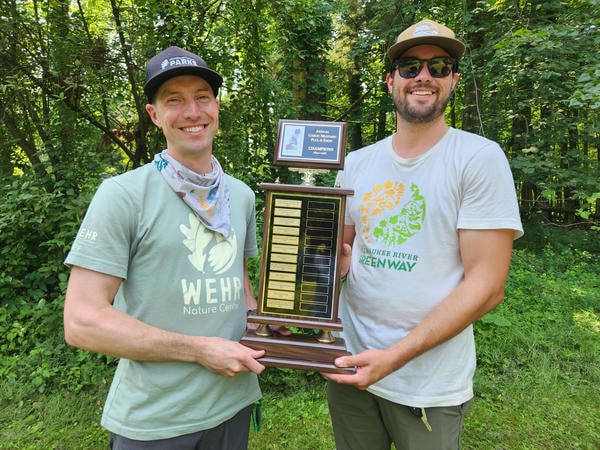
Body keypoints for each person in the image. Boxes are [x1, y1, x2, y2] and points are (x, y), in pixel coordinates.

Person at [323, 19, 524, 450]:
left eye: (439, 66)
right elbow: (343, 249)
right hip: (352, 361)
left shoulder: (478, 159)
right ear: (391, 80)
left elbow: (487, 287)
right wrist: (329, 271)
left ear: (453, 78)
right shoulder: (357, 162)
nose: (424, 77)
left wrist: (392, 359)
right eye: (411, 66)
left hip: (427, 382)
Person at [63, 46, 269, 449]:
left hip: (234, 402)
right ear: (154, 115)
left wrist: (259, 316)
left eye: (202, 97)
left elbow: (237, 278)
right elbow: (82, 321)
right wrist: (199, 350)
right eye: (174, 100)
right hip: (157, 420)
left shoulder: (240, 196)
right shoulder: (122, 195)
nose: (192, 111)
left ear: (217, 106)